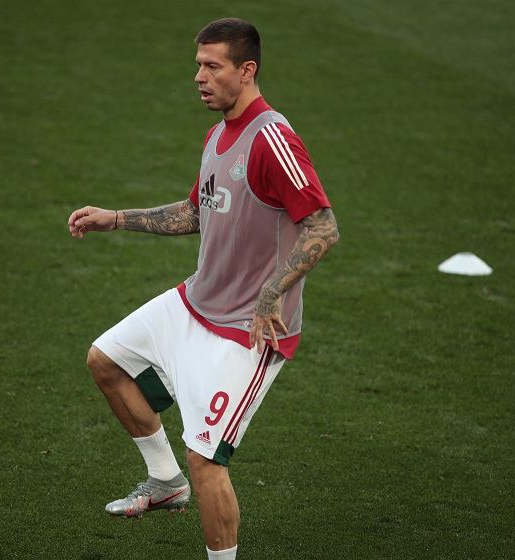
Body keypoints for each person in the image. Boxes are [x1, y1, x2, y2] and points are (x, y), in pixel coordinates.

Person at [67, 17, 339, 560]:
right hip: (197, 302)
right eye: (198, 65)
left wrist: (271, 294)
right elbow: (197, 211)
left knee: (207, 460)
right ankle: (165, 483)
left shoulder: (272, 139)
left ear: (247, 70)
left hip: (247, 329)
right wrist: (115, 218)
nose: (199, 77)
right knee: (106, 360)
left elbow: (323, 227)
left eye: (213, 67)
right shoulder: (218, 135)